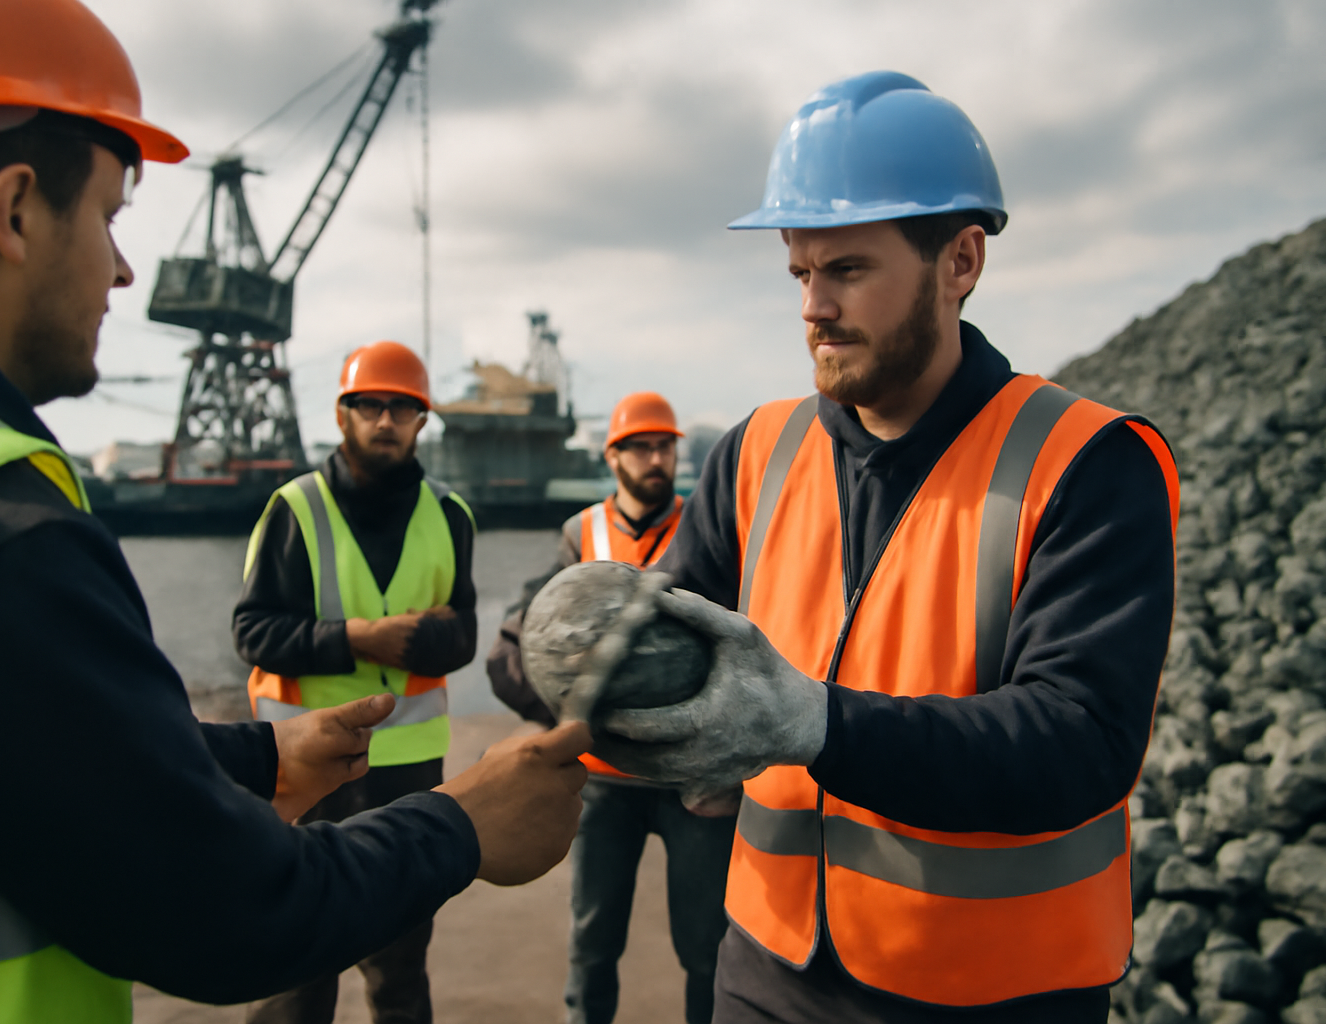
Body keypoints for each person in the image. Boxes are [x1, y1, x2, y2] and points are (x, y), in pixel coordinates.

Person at [0, 1, 589, 1021]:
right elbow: (230, 913)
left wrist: (258, 755)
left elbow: (29, 740)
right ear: (16, 210)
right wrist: (464, 822)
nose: (124, 270)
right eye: (110, 217)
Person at [586, 72, 1181, 1023]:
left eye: (849, 269)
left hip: (996, 992)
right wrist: (586, 659)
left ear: (960, 261)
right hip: (766, 969)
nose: (814, 306)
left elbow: (1080, 742)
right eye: (800, 273)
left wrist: (817, 724)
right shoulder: (755, 454)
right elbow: (670, 651)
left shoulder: (1088, 462)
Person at [233, 340, 476, 1024]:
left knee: (401, 965)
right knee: (297, 962)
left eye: (402, 407)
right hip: (302, 765)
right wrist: (358, 638)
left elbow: (463, 633)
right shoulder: (295, 509)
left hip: (408, 770)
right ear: (343, 415)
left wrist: (418, 637)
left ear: (422, 420)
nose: (386, 419)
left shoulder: (449, 514)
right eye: (370, 405)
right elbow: (253, 632)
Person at [487, 392, 736, 1024]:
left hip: (692, 776)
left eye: (665, 446)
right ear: (613, 457)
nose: (656, 459)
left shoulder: (707, 526)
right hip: (603, 784)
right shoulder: (581, 533)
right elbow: (521, 641)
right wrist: (569, 720)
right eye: (641, 447)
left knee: (707, 949)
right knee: (592, 944)